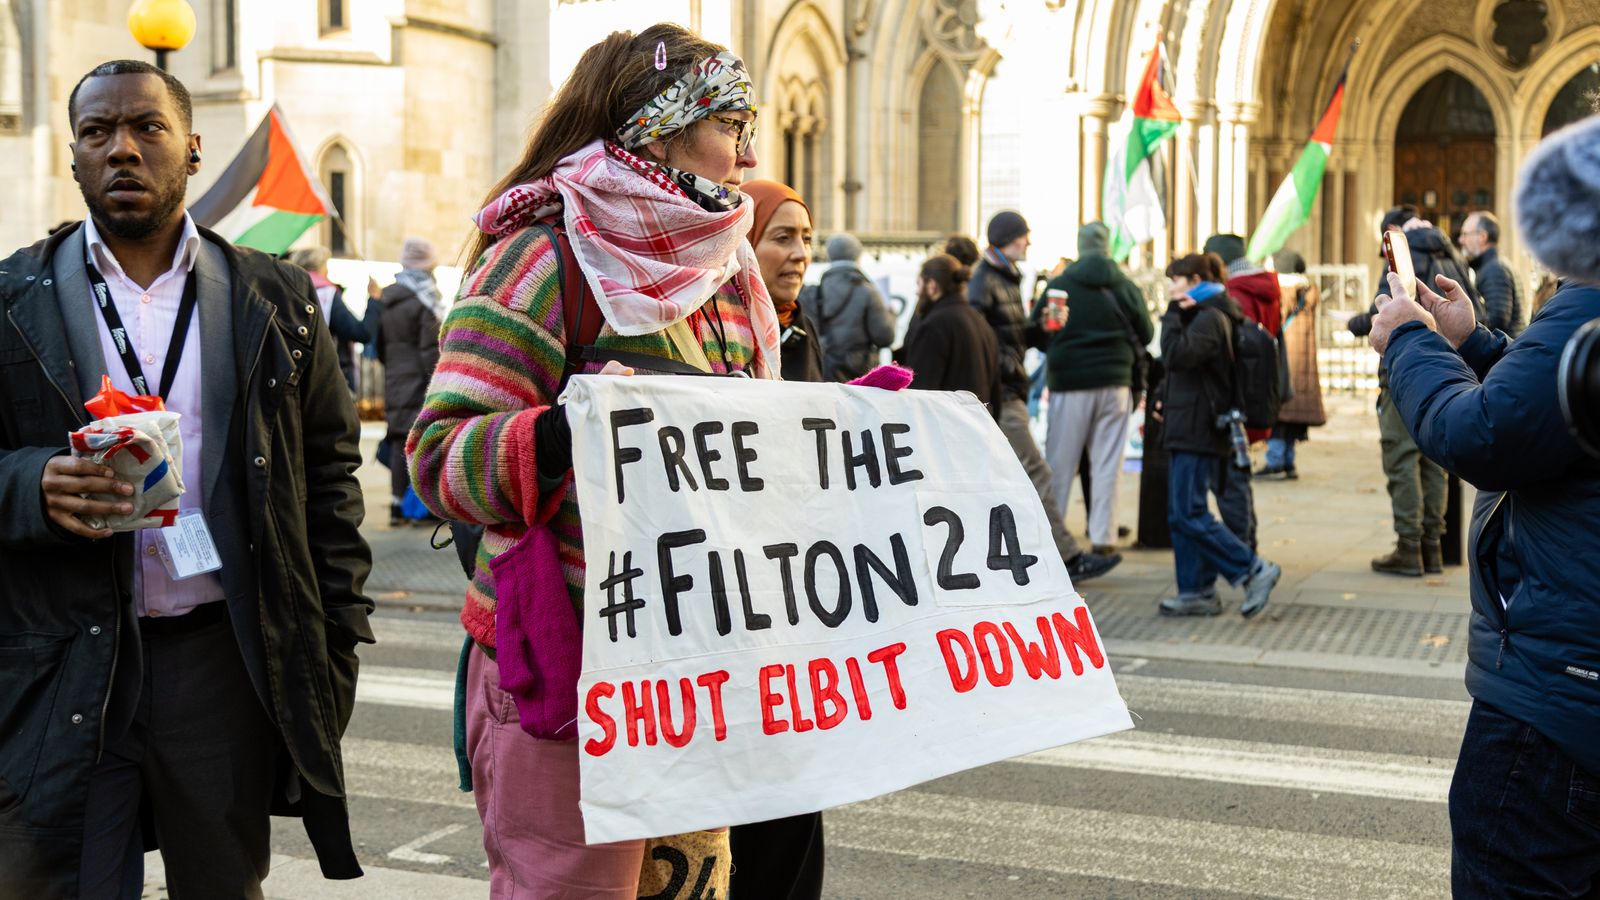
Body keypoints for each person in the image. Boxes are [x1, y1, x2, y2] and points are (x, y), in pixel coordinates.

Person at [407, 24, 768, 897]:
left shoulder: (725, 273)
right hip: (571, 667)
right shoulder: (543, 256)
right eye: (732, 124)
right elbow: (440, 460)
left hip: (691, 672)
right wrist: (563, 432)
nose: (748, 155)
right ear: (663, 126)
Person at [0, 60, 372, 897]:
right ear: (73, 158)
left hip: (218, 667)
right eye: (97, 133)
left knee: (222, 886)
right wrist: (33, 485)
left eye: (147, 128)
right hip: (64, 664)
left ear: (193, 150)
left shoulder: (273, 296)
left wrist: (335, 643)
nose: (121, 150)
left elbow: (329, 477)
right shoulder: (12, 296)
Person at [1365, 114, 1600, 897]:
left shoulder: (1587, 311)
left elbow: (1482, 435)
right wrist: (1473, 343)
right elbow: (1562, 414)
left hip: (1558, 704)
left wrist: (1406, 339)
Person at [732, 178, 827, 900]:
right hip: (734, 609)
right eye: (782, 237)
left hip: (793, 604)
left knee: (795, 807)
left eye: (806, 239)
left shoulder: (799, 328)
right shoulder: (716, 329)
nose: (799, 254)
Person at [970, 210, 1120, 582]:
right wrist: (1000, 374)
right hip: (1000, 394)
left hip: (1007, 389)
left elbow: (1012, 336)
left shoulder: (1005, 278)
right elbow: (983, 339)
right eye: (1023, 236)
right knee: (1036, 469)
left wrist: (1043, 331)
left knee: (1015, 474)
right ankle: (1064, 557)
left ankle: (1032, 557)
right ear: (1007, 238)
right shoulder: (985, 280)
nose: (1028, 242)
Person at [1349, 206, 1475, 576]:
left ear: (1392, 230)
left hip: (1406, 366)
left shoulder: (1400, 259)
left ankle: (1409, 547)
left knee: (1401, 456)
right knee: (1433, 459)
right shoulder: (1448, 253)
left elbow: (1383, 314)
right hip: (1448, 365)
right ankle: (1433, 546)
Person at [1155, 252, 1282, 618]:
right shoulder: (1204, 314)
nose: (1169, 286)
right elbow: (1184, 371)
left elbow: (1176, 355)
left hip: (1199, 429)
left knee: (1190, 514)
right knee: (1182, 514)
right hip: (1188, 425)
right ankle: (1196, 590)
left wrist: (1172, 313)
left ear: (1193, 280)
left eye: (1174, 279)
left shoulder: (1210, 316)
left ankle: (1253, 569)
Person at [1034, 222, 1153, 554]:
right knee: (1107, 463)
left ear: (1080, 246)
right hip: (1116, 382)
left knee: (1060, 462)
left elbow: (1039, 333)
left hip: (1069, 382)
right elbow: (1144, 333)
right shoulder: (1125, 285)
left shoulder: (1061, 285)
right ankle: (1104, 536)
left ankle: (1052, 538)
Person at [1201, 233, 1276, 548]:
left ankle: (1244, 551)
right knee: (1238, 475)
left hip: (1238, 394)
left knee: (1231, 477)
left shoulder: (1237, 293)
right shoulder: (1264, 286)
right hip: (1258, 389)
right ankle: (1247, 545)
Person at [379, 236, 443, 526]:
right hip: (420, 379)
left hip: (394, 376)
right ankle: (420, 507)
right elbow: (429, 350)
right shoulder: (425, 298)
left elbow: (380, 345)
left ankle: (396, 505)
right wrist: (438, 382)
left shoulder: (389, 298)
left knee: (397, 439)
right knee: (421, 439)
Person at [901, 253, 1002, 411]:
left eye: (918, 284)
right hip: (978, 427)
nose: (916, 291)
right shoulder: (981, 322)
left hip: (945, 429)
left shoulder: (933, 325)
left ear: (931, 285)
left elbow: (919, 395)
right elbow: (995, 392)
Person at [1258, 250, 1327, 478]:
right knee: (1292, 417)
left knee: (1278, 413)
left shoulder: (1283, 292)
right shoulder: (1308, 291)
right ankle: (1288, 461)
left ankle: (1275, 461)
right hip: (1304, 364)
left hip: (1284, 358)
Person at [799, 231, 896, 381]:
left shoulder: (812, 292)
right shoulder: (868, 292)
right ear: (858, 256)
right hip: (859, 374)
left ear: (829, 255)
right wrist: (891, 314)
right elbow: (885, 337)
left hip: (821, 371)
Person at [288, 245, 371, 391]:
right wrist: (374, 301)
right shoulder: (328, 294)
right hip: (328, 379)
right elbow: (359, 332)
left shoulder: (288, 291)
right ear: (321, 267)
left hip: (295, 376)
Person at [1459, 210, 1524, 338]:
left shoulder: (1495, 269)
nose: (1461, 240)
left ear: (1482, 236)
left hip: (1504, 355)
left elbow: (1497, 322)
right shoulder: (1491, 265)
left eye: (1465, 234)